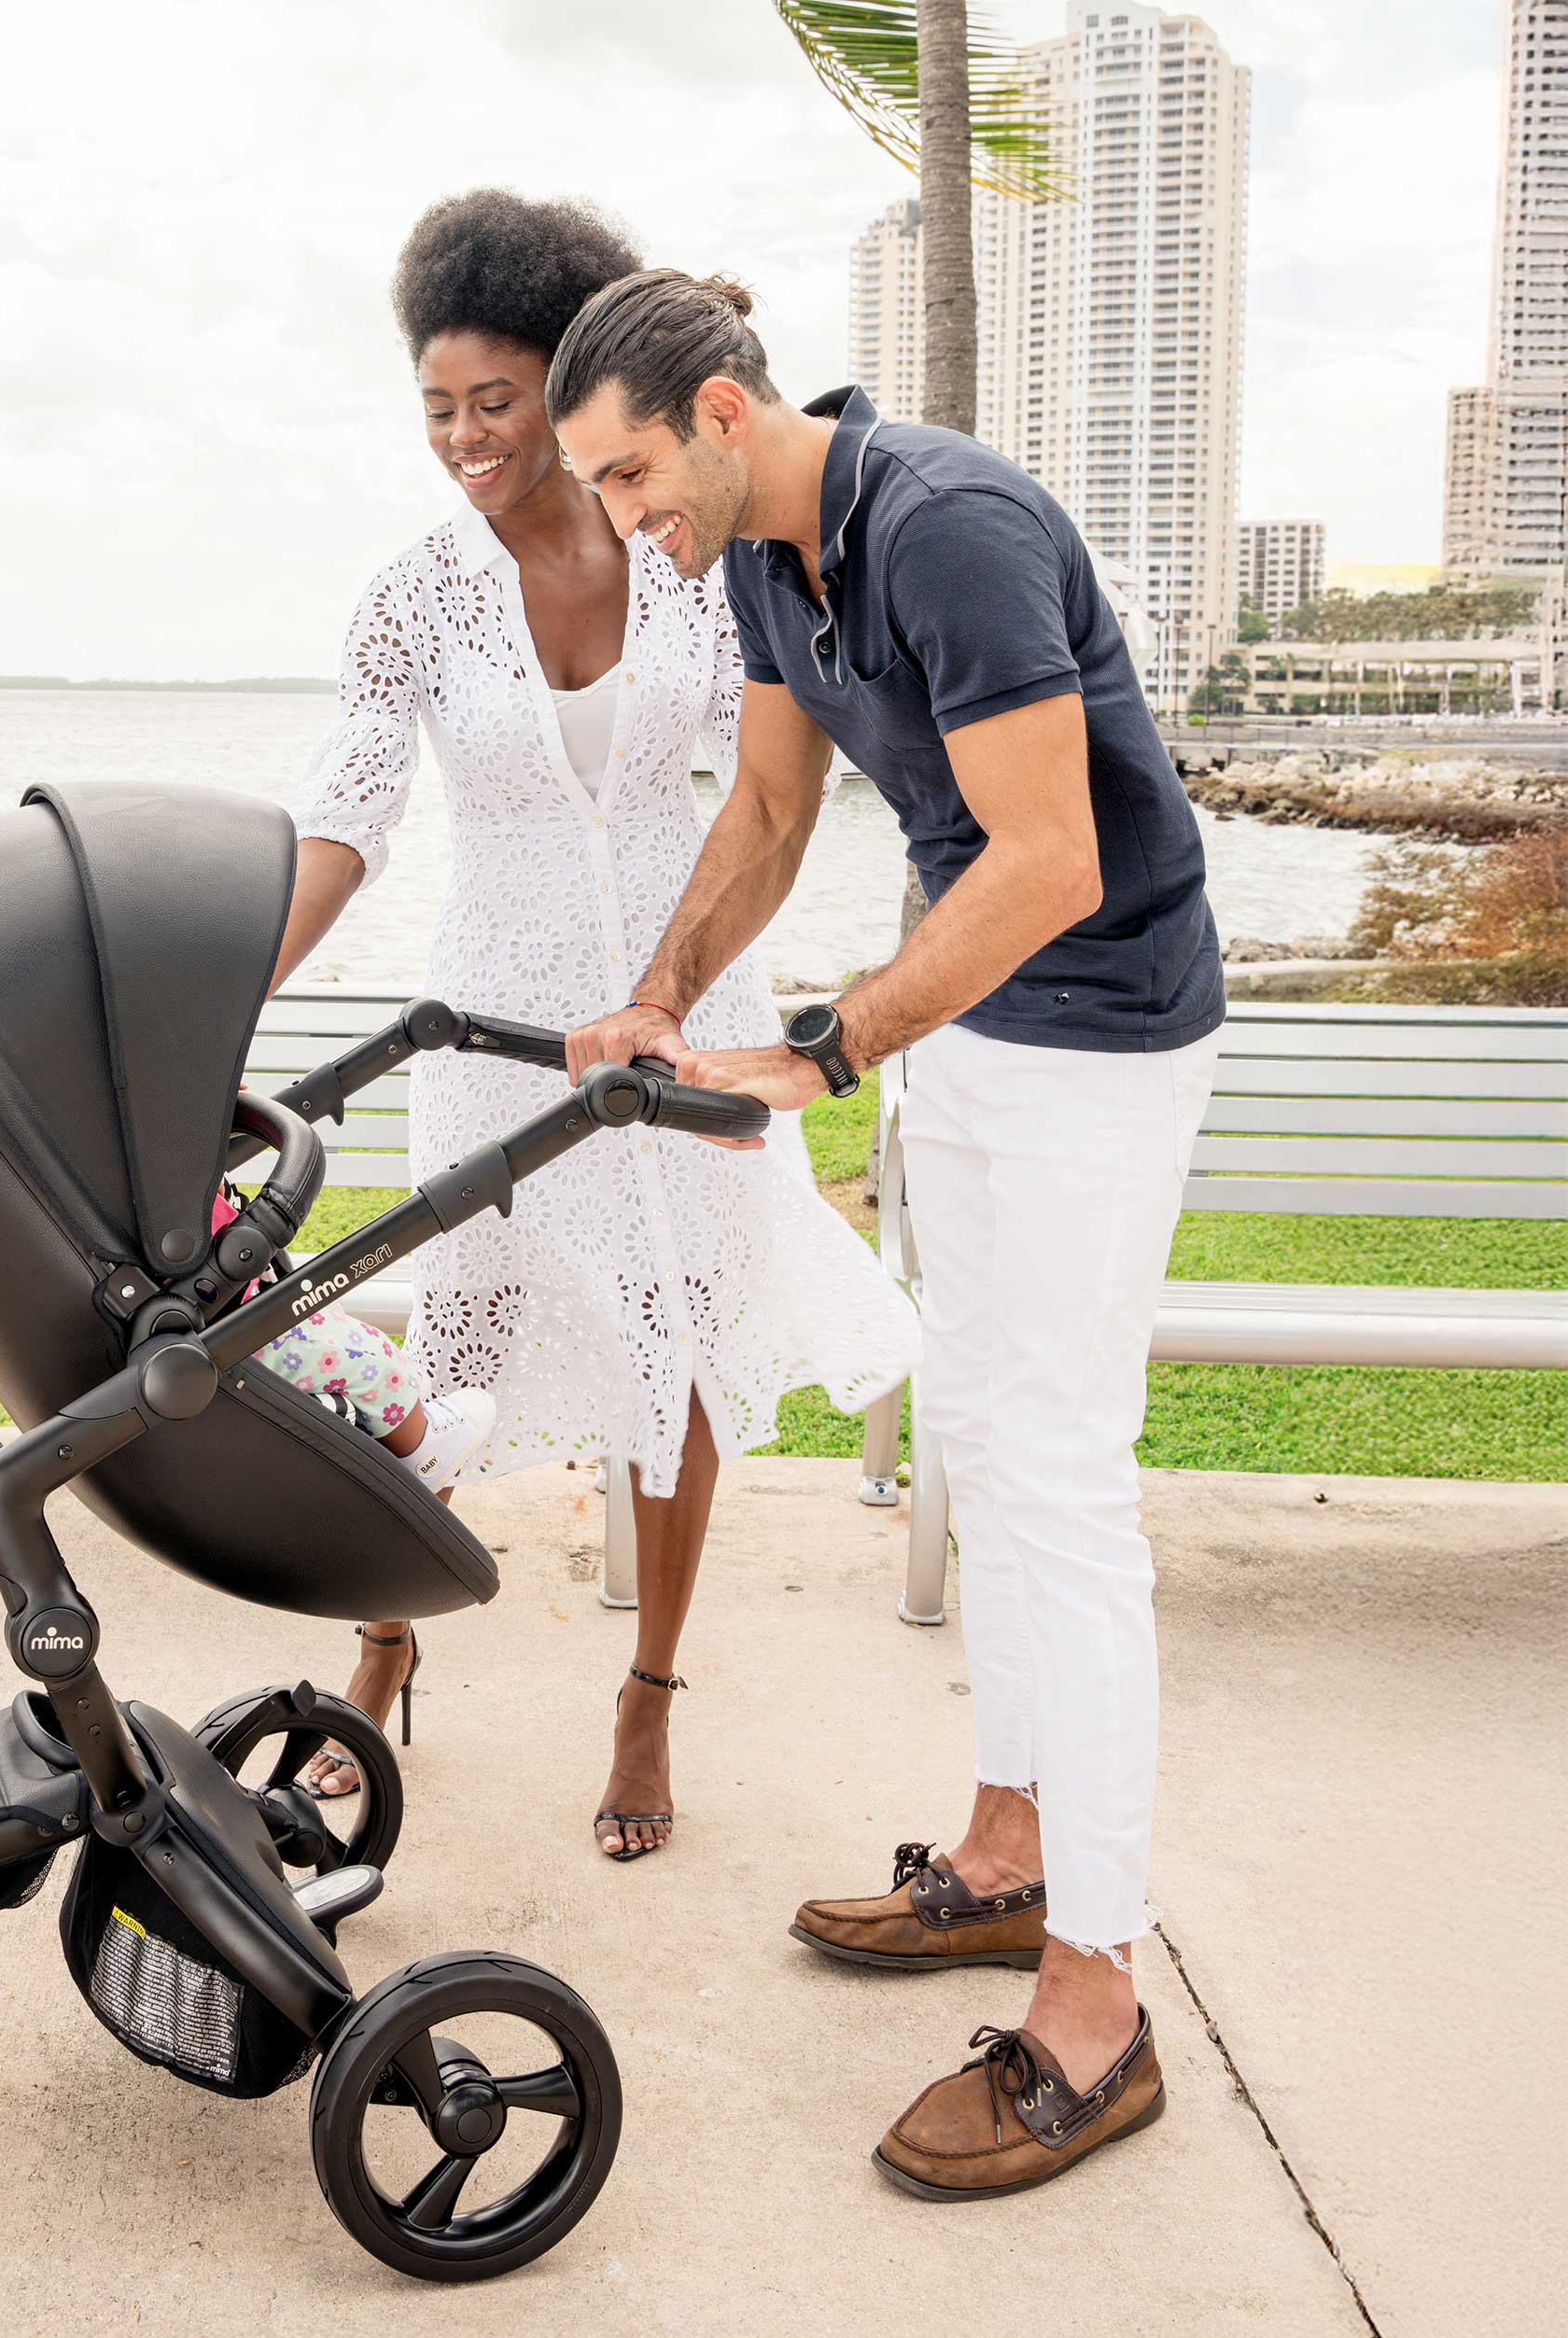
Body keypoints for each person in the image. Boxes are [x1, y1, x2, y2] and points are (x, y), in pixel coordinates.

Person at [546, 268, 1225, 2194]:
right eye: (596, 493)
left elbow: (1051, 856)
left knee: (1061, 1487)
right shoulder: (773, 562)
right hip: (982, 1028)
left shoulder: (946, 528)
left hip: (1103, 1036)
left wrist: (826, 1045)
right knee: (978, 1448)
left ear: (721, 410)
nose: (622, 522)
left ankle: (1094, 2002)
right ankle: (1010, 1853)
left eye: (627, 476)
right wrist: (659, 987)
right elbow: (768, 812)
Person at [274, 194, 916, 1857]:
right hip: (489, 1021)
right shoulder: (411, 599)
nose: (465, 439)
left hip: (682, 1003)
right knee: (450, 1348)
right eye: (436, 408)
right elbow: (347, 812)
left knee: (676, 1344)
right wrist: (239, 972)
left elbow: (776, 787)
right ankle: (383, 1645)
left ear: (566, 384)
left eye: (494, 400)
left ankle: (647, 1694)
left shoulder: (696, 557)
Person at [221, 1185, 496, 1487]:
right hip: (241, 1335)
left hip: (235, 1308)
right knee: (367, 1360)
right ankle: (422, 1452)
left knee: (336, 1328)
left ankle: (408, 1407)